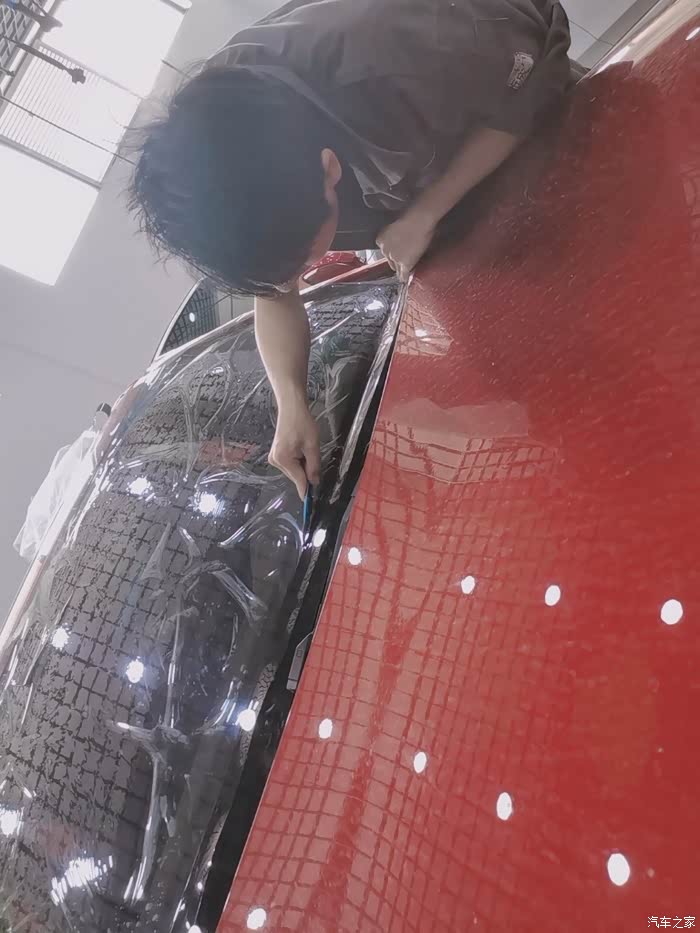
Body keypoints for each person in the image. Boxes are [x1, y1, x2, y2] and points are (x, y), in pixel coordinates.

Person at [130, 0, 579, 498]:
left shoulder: (399, 47)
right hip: (443, 197)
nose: (296, 277)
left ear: (329, 171)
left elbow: (528, 82)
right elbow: (274, 291)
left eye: (304, 259)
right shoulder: (226, 154)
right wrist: (291, 402)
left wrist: (426, 212)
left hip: (539, 120)